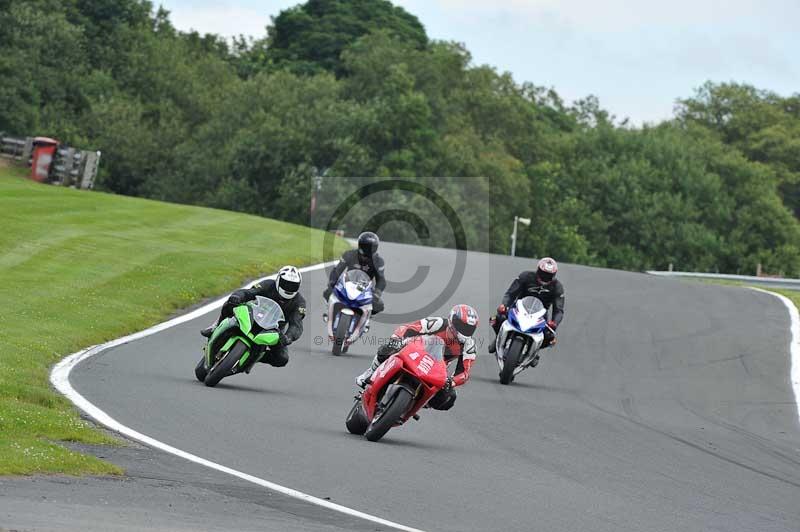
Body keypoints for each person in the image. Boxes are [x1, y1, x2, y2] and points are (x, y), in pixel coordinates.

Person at [355, 304, 479, 411]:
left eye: (469, 329)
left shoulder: (469, 345)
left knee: (449, 397)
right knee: (387, 348)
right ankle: (370, 373)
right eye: (462, 326)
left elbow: (464, 373)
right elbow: (409, 328)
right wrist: (396, 339)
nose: (464, 331)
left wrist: (451, 381)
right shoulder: (438, 323)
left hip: (435, 367)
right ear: (452, 321)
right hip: (414, 349)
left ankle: (422, 402)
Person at [200, 266, 306, 367]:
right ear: (278, 280)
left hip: (274, 329)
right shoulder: (268, 284)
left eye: (293, 286)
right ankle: (215, 326)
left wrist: (288, 337)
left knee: (282, 359)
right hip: (253, 314)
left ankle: (254, 358)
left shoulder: (299, 302)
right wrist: (238, 296)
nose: (288, 288)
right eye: (286, 284)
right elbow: (249, 292)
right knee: (230, 303)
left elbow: (296, 324)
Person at [489, 257, 565, 354]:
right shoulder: (525, 276)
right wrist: (504, 305)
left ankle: (535, 352)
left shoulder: (557, 287)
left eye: (548, 275)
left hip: (540, 315)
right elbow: (510, 294)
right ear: (538, 270)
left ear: (553, 275)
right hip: (519, 307)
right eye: (543, 273)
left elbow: (559, 310)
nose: (545, 277)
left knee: (550, 337)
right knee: (498, 318)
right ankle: (498, 338)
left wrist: (554, 322)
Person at [323, 231, 386, 314]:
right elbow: (337, 270)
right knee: (327, 293)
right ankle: (330, 313)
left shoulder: (378, 261)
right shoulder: (349, 254)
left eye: (370, 247)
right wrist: (332, 283)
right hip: (346, 285)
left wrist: (377, 293)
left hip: (365, 290)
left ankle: (366, 318)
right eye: (365, 246)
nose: (367, 250)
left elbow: (381, 280)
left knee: (379, 305)